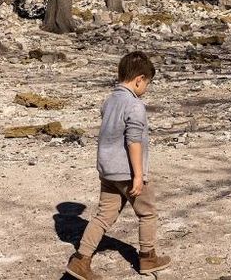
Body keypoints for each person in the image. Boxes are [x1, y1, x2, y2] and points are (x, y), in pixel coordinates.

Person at [65, 51, 171, 280]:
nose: (146, 88)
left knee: (103, 216)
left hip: (107, 171)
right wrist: (138, 175)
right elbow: (133, 141)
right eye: (147, 83)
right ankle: (148, 257)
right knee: (148, 213)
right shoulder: (134, 105)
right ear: (139, 80)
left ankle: (81, 260)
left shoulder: (109, 101)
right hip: (128, 171)